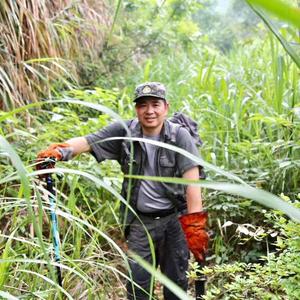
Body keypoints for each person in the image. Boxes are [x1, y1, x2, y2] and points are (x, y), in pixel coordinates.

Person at [37, 82, 209, 300]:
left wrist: (195, 228)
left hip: (174, 221)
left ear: (166, 107)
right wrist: (58, 152)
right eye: (143, 105)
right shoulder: (125, 132)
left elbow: (192, 185)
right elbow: (88, 142)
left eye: (156, 104)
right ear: (136, 109)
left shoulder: (179, 137)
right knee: (137, 289)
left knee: (176, 287)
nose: (150, 111)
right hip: (140, 223)